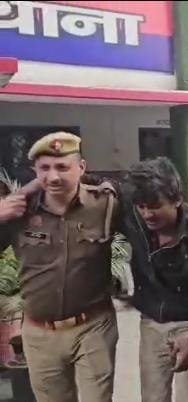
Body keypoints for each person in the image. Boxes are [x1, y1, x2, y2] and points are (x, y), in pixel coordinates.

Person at [0, 132, 119, 402]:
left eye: (62, 167)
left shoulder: (105, 204)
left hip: (93, 326)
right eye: (44, 168)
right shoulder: (18, 210)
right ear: (34, 171)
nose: (53, 177)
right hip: (40, 333)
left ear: (82, 167)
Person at [117, 157, 188, 402]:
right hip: (151, 324)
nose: (147, 214)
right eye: (141, 206)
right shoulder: (134, 219)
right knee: (152, 397)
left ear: (177, 199)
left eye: (155, 206)